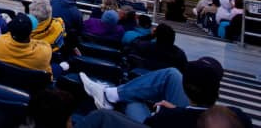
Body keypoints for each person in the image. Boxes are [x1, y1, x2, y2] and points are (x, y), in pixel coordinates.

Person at [80, 57, 252, 127]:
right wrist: (178, 110)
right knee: (171, 74)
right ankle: (111, 95)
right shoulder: (238, 116)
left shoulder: (170, 117)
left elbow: (152, 122)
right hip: (189, 113)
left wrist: (167, 112)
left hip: (158, 123)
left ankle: (110, 96)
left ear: (185, 85)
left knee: (132, 101)